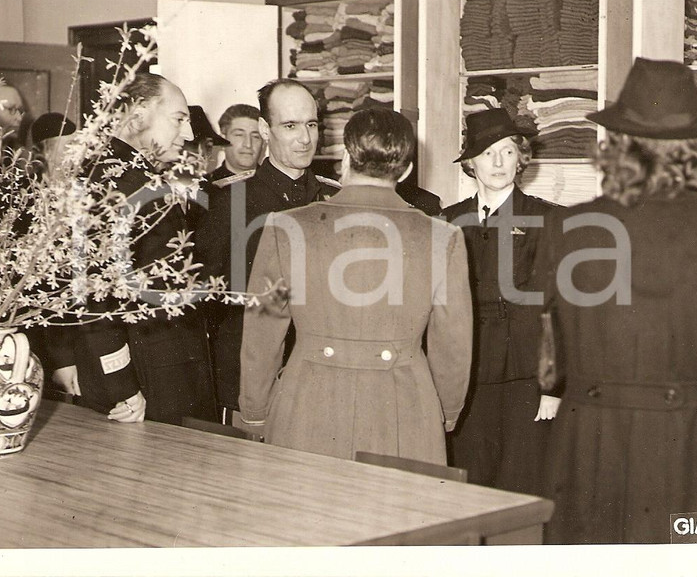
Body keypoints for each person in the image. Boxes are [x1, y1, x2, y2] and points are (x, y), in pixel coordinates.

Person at [533, 58, 697, 543]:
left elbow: (548, 358)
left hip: (590, 445)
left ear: (617, 146)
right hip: (694, 444)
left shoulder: (567, 227)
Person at [239, 107, 473, 463]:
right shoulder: (444, 238)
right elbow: (453, 345)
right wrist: (447, 410)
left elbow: (261, 332)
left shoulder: (285, 227)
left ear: (346, 159)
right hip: (405, 409)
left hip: (306, 405)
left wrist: (255, 410)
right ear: (406, 170)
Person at [52, 72, 216, 425]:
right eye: (178, 119)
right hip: (146, 380)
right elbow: (94, 297)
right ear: (138, 114)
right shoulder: (117, 182)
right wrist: (122, 386)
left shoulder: (135, 175)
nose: (188, 135)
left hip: (162, 367)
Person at [196, 79, 339, 425]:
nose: (305, 138)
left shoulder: (336, 199)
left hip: (322, 378)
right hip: (251, 381)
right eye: (290, 126)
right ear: (265, 129)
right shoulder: (229, 202)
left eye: (311, 125)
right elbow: (207, 300)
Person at [442, 108, 560, 494]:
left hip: (525, 378)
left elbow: (560, 310)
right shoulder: (446, 221)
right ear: (470, 162)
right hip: (467, 378)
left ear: (520, 159)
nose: (498, 162)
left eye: (507, 151)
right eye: (487, 152)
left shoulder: (548, 219)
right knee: (469, 486)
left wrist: (553, 387)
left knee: (523, 487)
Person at [207, 103, 264, 184]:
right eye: (239, 135)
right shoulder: (203, 186)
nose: (248, 144)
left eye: (255, 137)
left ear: (263, 143)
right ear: (223, 140)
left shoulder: (276, 184)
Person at [29, 112, 77, 176]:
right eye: (69, 145)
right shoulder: (26, 182)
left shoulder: (84, 181)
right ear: (47, 151)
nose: (77, 153)